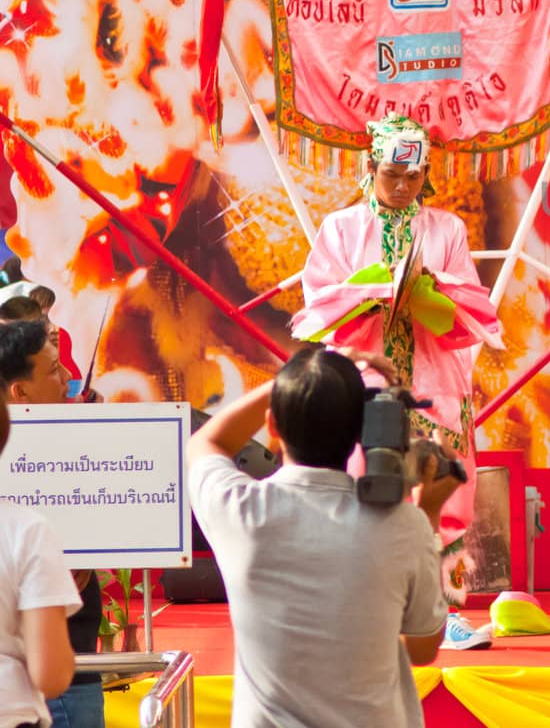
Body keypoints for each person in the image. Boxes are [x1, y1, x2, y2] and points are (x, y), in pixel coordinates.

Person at [290, 113, 501, 650]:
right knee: (367, 489)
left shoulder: (446, 228)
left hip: (435, 378)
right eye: (392, 175)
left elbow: (473, 306)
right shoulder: (341, 228)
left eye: (412, 177)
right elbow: (317, 308)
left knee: (443, 489)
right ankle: (367, 610)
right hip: (364, 379)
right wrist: (369, 294)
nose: (403, 186)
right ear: (371, 167)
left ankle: (445, 611)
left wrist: (433, 289)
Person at [187, 346, 456, 728]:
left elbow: (205, 442)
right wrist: (429, 510)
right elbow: (424, 648)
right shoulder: (404, 524)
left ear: (273, 426)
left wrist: (297, 380)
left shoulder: (240, 510)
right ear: (360, 433)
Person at [0, 320, 104, 726]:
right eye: (53, 368)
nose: (68, 378)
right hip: (42, 694)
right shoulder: (23, 528)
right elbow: (51, 673)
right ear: (20, 392)